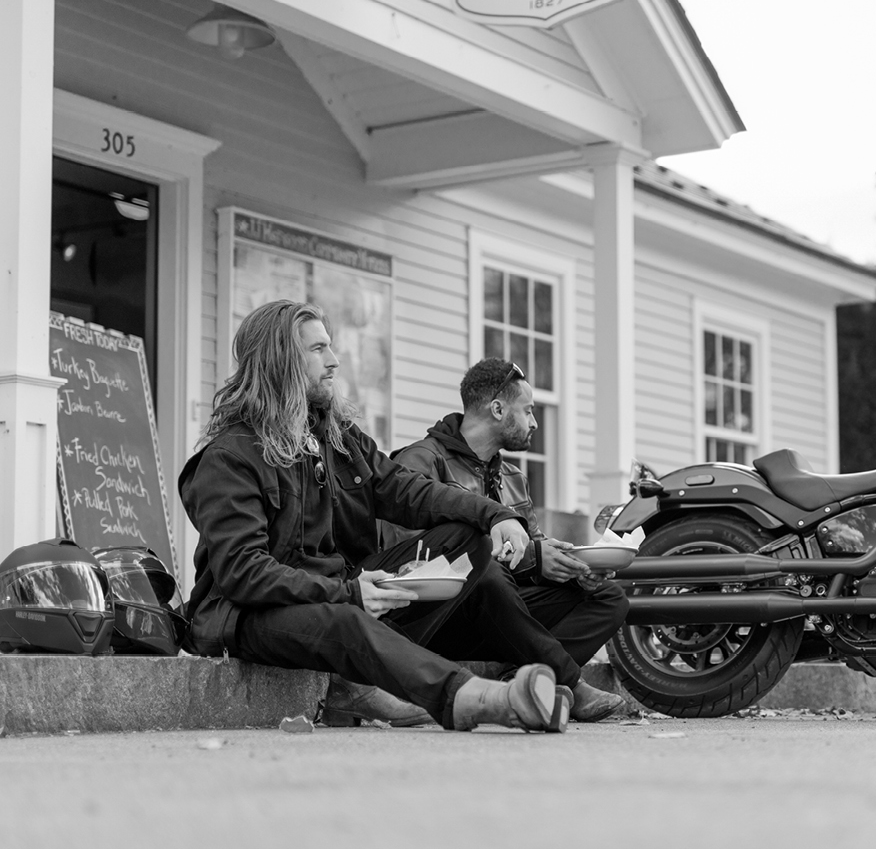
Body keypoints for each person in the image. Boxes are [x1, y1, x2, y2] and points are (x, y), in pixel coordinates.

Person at [179, 299, 570, 734]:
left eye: (331, 347)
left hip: (337, 590)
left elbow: (409, 489)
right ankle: (482, 699)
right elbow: (242, 573)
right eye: (318, 350)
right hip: (249, 612)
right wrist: (347, 593)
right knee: (346, 620)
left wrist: (495, 515)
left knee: (467, 538)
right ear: (279, 361)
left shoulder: (337, 439)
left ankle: (362, 678)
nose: (334, 361)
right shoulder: (230, 457)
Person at [384, 358, 629, 723]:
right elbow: (413, 558)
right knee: (485, 570)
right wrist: (532, 558)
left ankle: (520, 678)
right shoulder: (420, 460)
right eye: (528, 410)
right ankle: (567, 681)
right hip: (437, 617)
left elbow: (532, 547)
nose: (534, 422)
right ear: (498, 409)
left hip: (500, 614)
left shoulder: (513, 476)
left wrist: (569, 567)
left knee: (608, 597)